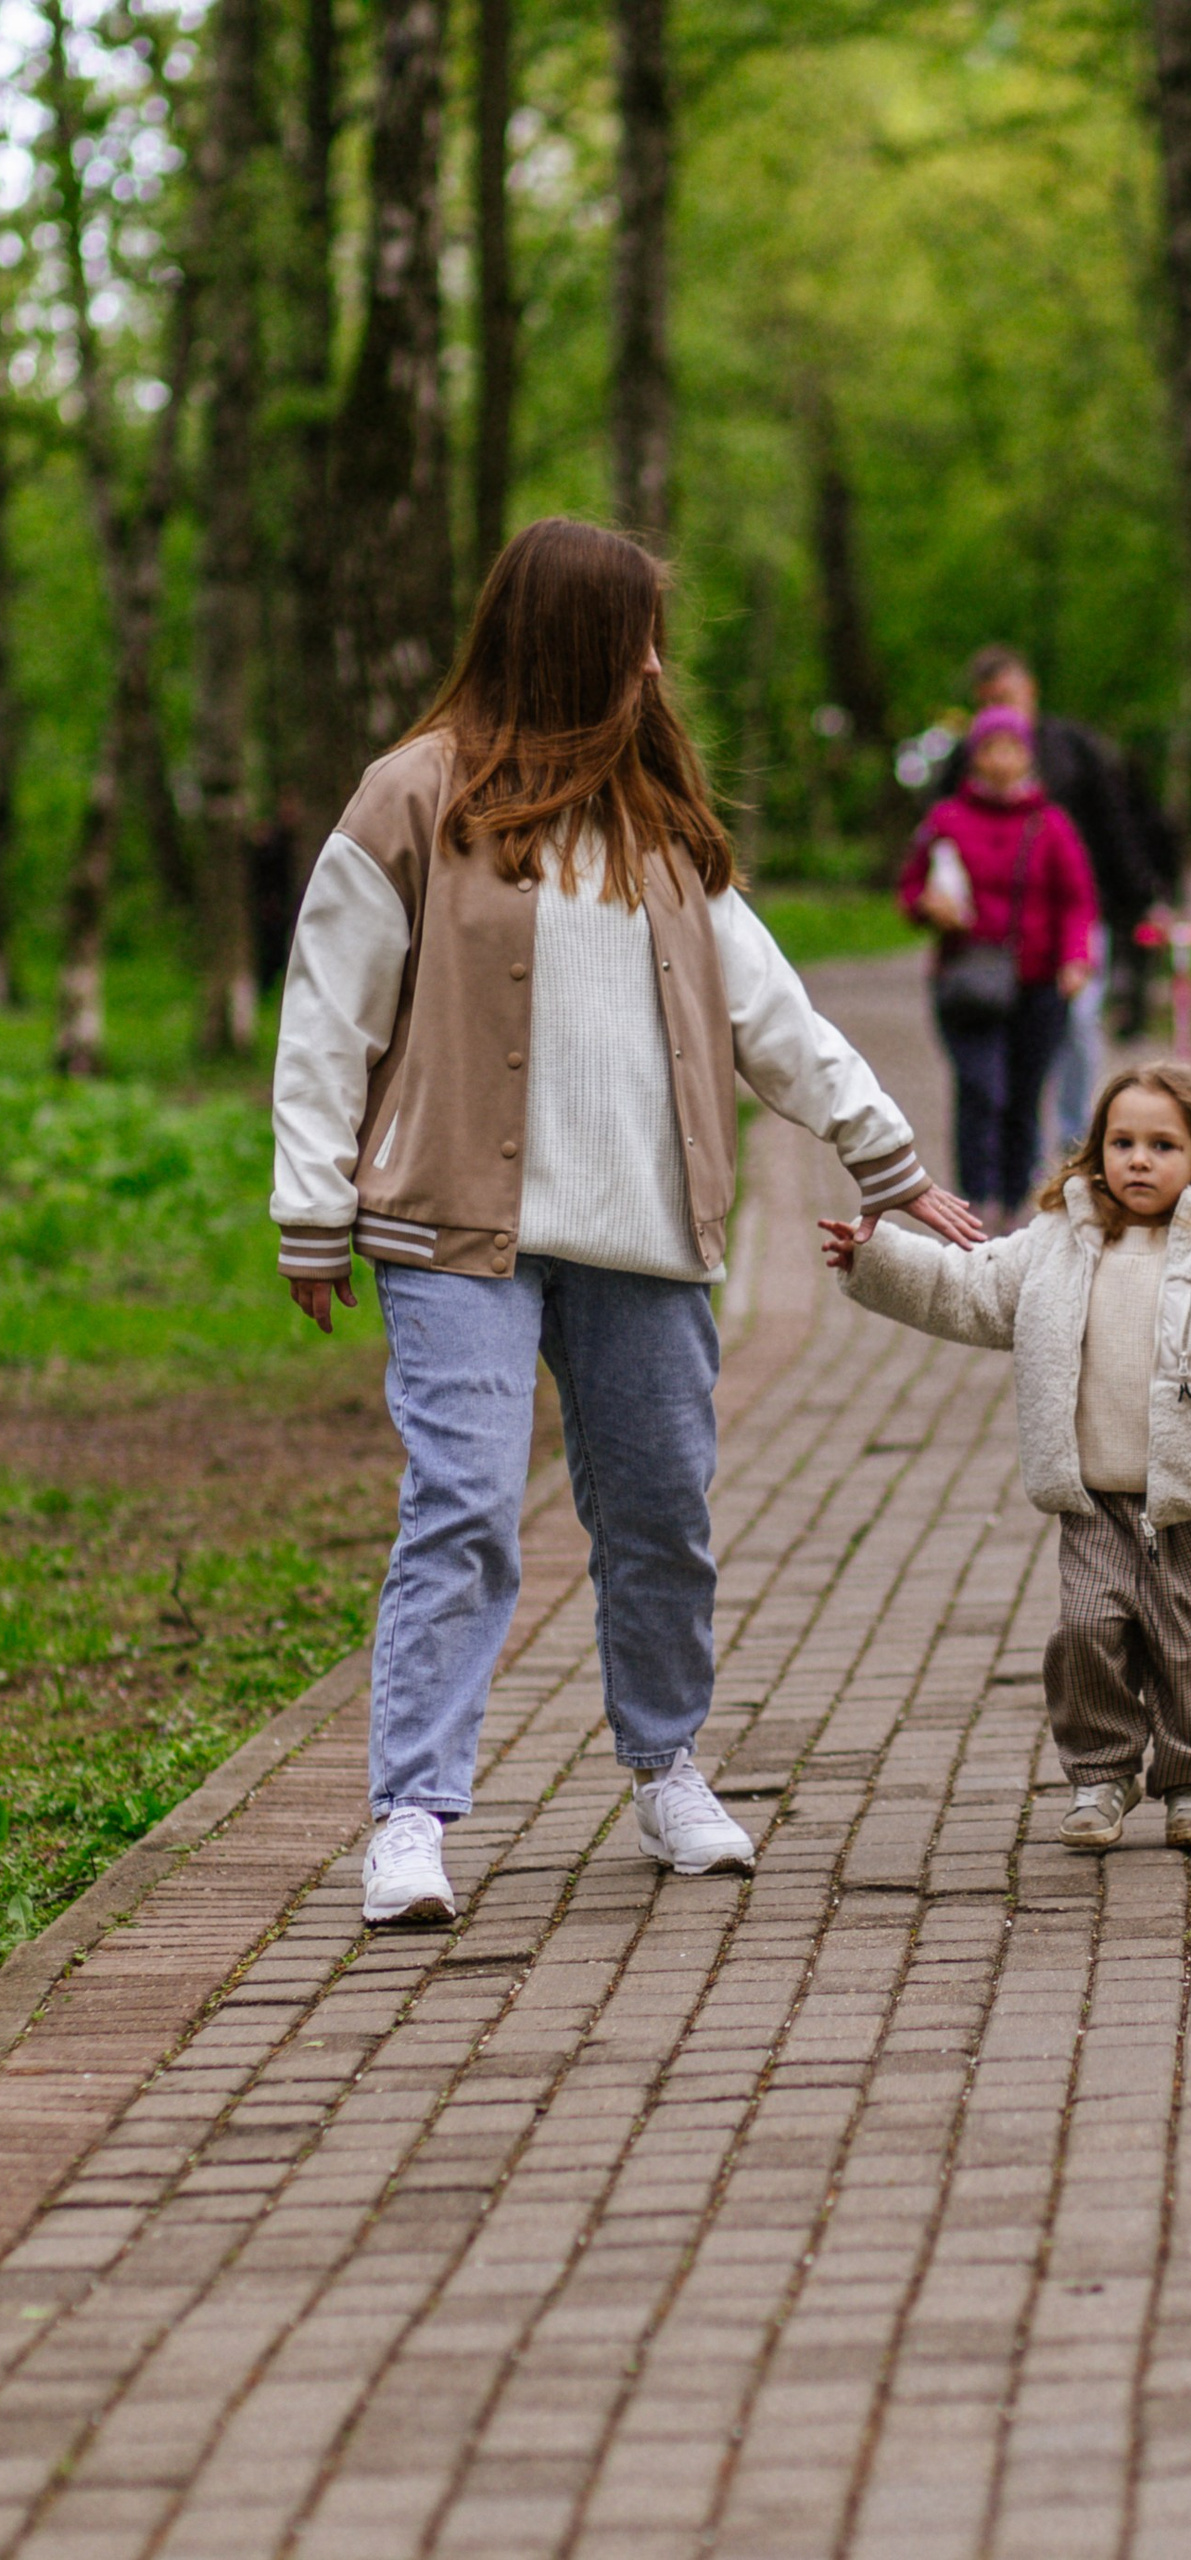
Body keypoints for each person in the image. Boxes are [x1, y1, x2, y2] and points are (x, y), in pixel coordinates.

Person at [271, 517, 981, 1931]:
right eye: (637, 638)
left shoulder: (661, 827)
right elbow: (327, 1008)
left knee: (659, 1513)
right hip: (450, 1225)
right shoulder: (414, 797)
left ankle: (666, 1768)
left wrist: (883, 1155)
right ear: (572, 641)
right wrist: (312, 1203)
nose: (654, 665)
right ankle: (412, 1813)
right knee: (464, 1507)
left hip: (647, 1234)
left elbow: (773, 1016)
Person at [819, 1063, 1191, 1852]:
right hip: (1095, 1499)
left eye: (1163, 1145)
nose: (1139, 1160)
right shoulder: (1061, 1240)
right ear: (1096, 1150)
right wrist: (877, 1258)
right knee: (1087, 1632)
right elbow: (971, 1287)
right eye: (1122, 1142)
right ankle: (1102, 1772)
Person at [941, 647, 1183, 1079]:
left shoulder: (1075, 749)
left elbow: (1115, 826)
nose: (999, 710)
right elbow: (937, 840)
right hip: (993, 934)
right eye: (989, 702)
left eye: (1006, 697)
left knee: (1078, 1025)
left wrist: (1146, 896)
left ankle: (1075, 1120)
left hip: (1079, 912)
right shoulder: (965, 760)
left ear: (1029, 690)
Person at [903, 705, 1098, 1227]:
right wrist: (928, 905)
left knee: (1023, 1096)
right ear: (975, 756)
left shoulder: (1051, 825)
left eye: (1012, 748)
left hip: (1039, 985)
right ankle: (977, 1199)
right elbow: (910, 889)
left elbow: (1078, 901)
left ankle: (1015, 1201)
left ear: (1027, 757)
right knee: (980, 1089)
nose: (1002, 759)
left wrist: (1076, 959)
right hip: (968, 982)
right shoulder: (946, 821)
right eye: (991, 748)